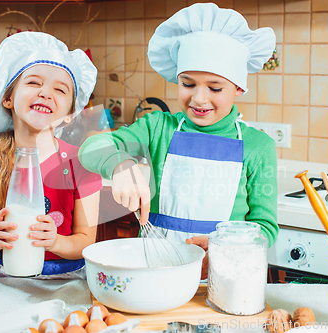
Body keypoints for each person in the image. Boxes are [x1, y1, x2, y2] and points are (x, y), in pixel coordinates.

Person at [78, 3, 278, 278]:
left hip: (224, 279)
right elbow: (91, 148)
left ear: (239, 87)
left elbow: (265, 227)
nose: (198, 98)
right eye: (188, 83)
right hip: (154, 273)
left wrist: (226, 248)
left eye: (215, 87)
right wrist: (119, 164)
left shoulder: (258, 147)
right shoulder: (158, 127)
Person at [0, 32, 102, 279]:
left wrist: (54, 242)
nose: (45, 92)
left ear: (69, 114)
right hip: (7, 282)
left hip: (66, 283)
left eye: (60, 89)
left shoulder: (81, 164)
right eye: (34, 83)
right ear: (8, 98)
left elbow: (85, 243)